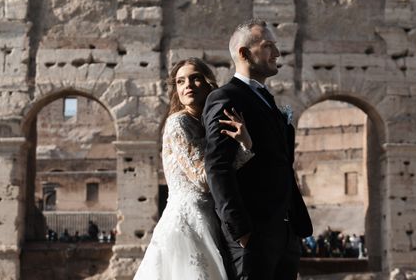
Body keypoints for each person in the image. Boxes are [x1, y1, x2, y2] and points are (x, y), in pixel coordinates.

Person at [204, 19, 313, 280]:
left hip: (285, 235)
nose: (277, 53)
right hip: (254, 235)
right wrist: (240, 230)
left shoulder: (267, 100)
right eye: (268, 46)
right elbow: (218, 167)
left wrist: (293, 233)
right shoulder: (226, 98)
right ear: (243, 53)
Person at [134, 58, 254, 280]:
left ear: (208, 83)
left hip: (210, 218)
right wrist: (244, 147)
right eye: (180, 81)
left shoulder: (206, 122)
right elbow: (202, 178)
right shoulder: (177, 123)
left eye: (194, 78)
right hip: (188, 221)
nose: (187, 85)